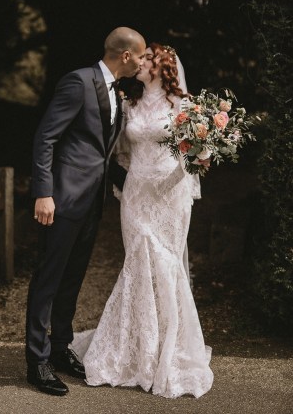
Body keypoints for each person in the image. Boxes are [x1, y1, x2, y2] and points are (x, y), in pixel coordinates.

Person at [73, 42, 214, 398]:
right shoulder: (128, 103)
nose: (142, 61)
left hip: (171, 195)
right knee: (138, 262)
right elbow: (117, 150)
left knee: (167, 266)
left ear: (163, 65)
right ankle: (133, 351)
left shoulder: (185, 105)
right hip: (136, 195)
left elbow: (201, 151)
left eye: (149, 58)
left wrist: (201, 157)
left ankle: (169, 350)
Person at [26, 27, 147, 396]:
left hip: (92, 200)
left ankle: (61, 348)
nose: (143, 62)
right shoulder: (79, 81)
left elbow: (102, 150)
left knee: (73, 277)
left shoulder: (115, 89)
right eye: (140, 56)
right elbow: (45, 137)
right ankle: (37, 362)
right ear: (126, 55)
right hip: (62, 199)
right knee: (48, 279)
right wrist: (43, 193)